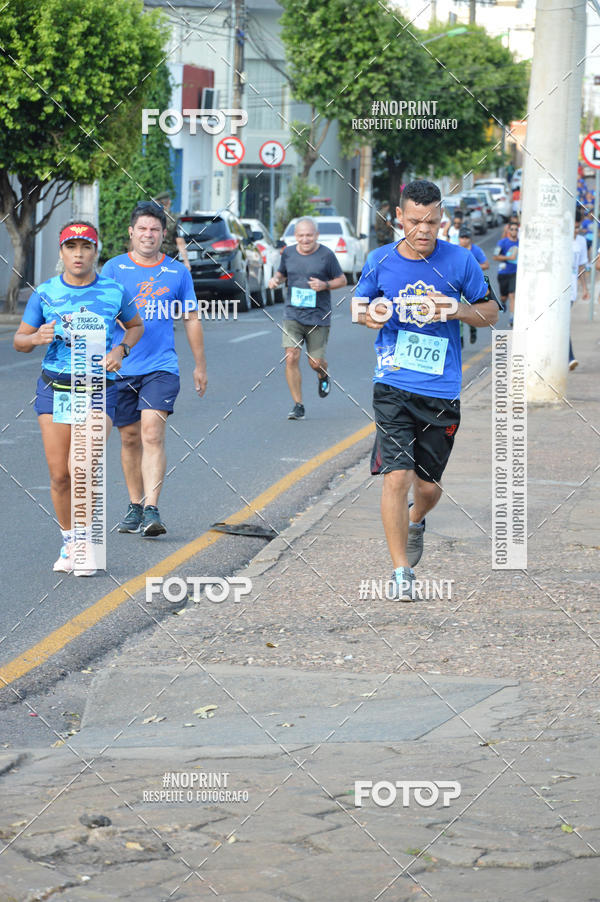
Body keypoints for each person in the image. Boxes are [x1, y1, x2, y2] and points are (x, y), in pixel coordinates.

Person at [354, 179, 499, 601]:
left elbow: (489, 313)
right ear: (399, 217)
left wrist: (455, 308)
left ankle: (417, 520)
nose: (423, 230)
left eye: (432, 221)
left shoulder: (461, 260)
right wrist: (371, 315)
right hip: (393, 383)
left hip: (441, 389)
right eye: (414, 221)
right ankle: (401, 571)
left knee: (428, 486)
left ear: (442, 219)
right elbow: (359, 305)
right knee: (395, 475)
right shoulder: (379, 260)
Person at [13, 222, 143, 574]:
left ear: (95, 251)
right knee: (59, 475)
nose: (79, 254)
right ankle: (69, 541)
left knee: (82, 467)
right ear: (62, 252)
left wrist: (121, 350)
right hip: (54, 389)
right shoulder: (45, 293)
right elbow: (19, 341)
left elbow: (136, 326)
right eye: (72, 247)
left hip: (98, 388)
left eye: (86, 247)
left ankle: (86, 545)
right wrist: (36, 337)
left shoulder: (114, 291)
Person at [102, 201, 207, 537]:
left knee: (151, 432)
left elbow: (191, 319)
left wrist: (200, 366)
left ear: (163, 235)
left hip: (161, 366)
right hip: (120, 368)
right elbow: (100, 316)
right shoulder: (114, 270)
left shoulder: (177, 273)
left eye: (155, 230)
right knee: (130, 438)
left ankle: (152, 509)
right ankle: (134, 505)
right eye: (142, 229)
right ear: (131, 233)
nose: (148, 235)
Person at [268, 217, 346, 420]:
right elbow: (281, 274)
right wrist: (276, 280)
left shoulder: (326, 255)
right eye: (301, 235)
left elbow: (342, 280)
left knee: (315, 362)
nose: (305, 239)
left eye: (309, 235)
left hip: (318, 316)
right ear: (296, 236)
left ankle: (323, 374)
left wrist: (325, 285)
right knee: (291, 356)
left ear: (316, 235)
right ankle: (298, 405)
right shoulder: (289, 253)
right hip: (292, 315)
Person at [458, 225, 489, 345]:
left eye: (466, 237)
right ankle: (460, 339)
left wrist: (472, 268)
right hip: (458, 286)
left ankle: (473, 330)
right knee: (458, 312)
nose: (464, 240)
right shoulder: (455, 250)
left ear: (470, 238)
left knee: (470, 312)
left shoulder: (476, 250)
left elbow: (486, 265)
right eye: (462, 237)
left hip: (472, 286)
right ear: (459, 238)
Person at [569, 212, 590, 371]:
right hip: (556, 287)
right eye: (573, 227)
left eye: (578, 227)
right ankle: (569, 357)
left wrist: (585, 288)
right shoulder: (561, 238)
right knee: (562, 322)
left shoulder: (582, 241)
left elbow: (582, 266)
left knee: (563, 321)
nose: (576, 230)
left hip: (571, 289)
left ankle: (568, 356)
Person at [155, 192, 191, 271]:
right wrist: (186, 261)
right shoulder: (174, 219)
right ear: (169, 202)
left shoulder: (151, 218)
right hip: (169, 258)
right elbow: (180, 242)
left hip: (152, 257)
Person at [493, 221, 519, 324]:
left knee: (512, 295)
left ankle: (512, 317)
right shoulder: (502, 243)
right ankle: (502, 302)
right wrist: (509, 257)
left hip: (515, 272)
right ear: (508, 230)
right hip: (504, 273)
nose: (514, 231)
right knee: (504, 296)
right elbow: (495, 257)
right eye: (512, 229)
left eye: (516, 229)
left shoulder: (521, 242)